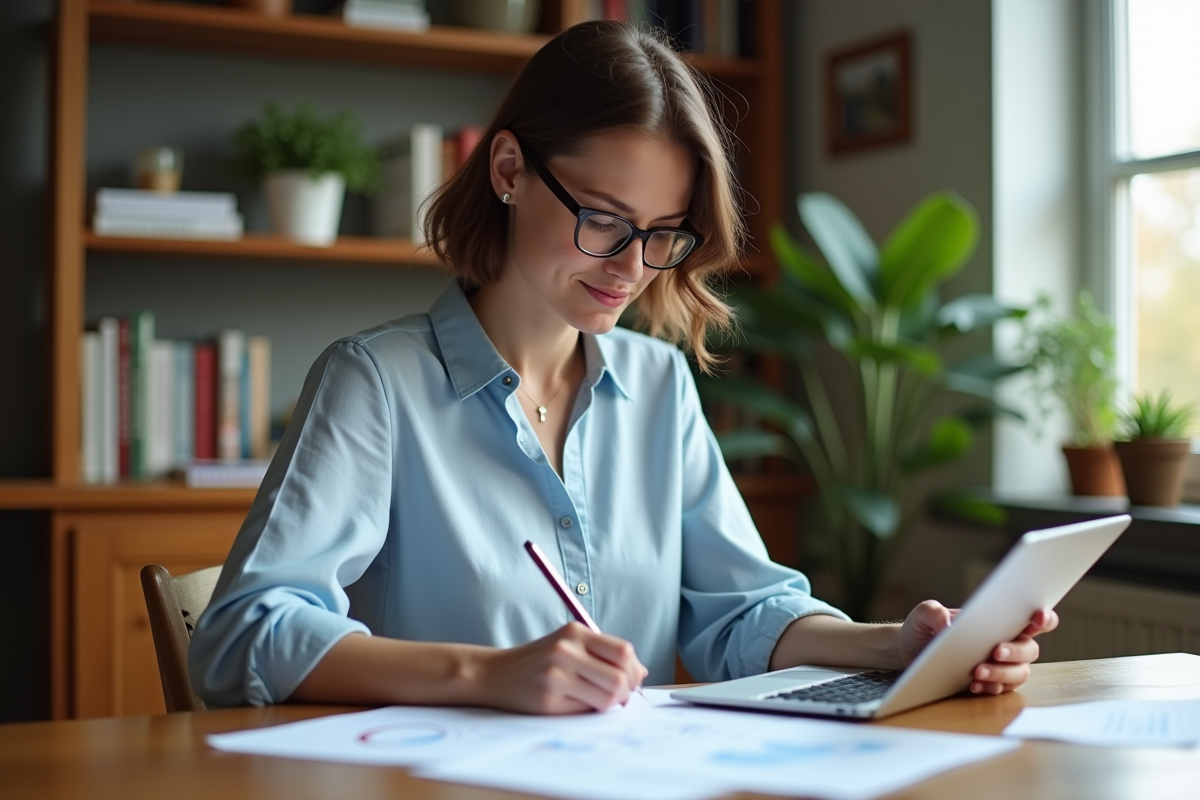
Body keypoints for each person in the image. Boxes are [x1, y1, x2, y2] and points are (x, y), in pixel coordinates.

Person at [189, 21, 1056, 714]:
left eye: (661, 233)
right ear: (508, 171)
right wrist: (488, 676)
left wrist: (901, 643)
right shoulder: (375, 383)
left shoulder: (657, 385)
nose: (632, 265)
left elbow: (741, 613)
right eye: (603, 220)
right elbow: (241, 637)